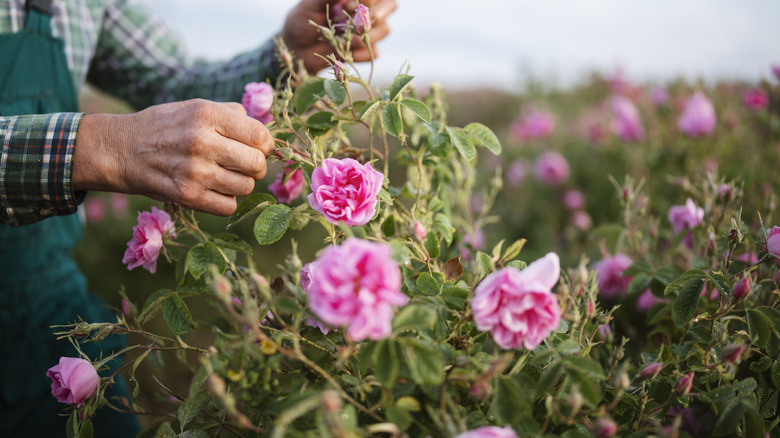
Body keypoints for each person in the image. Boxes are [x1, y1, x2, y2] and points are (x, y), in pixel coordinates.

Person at [0, 0, 396, 436]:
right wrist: (97, 148)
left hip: (42, 293)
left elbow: (176, 80)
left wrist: (287, 53)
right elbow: (113, 141)